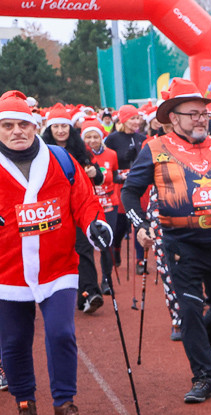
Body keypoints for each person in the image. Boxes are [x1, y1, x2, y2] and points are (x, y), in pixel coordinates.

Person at [124, 78, 211, 404]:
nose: (201, 119)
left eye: (204, 113)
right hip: (180, 245)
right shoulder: (154, 148)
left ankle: (204, 349)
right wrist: (140, 225)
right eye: (193, 114)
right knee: (189, 309)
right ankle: (203, 374)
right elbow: (130, 192)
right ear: (173, 118)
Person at [0, 91, 110, 415]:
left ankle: (64, 407)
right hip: (5, 271)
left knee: (61, 333)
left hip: (57, 265)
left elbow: (85, 200)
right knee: (14, 342)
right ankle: (24, 406)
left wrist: (94, 225)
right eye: (8, 125)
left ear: (35, 125)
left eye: (24, 124)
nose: (18, 131)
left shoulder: (60, 159)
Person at [42, 104, 107, 311]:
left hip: (78, 208)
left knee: (84, 250)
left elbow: (99, 176)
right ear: (49, 129)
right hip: (53, 211)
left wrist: (94, 174)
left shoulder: (81, 149)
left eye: (64, 126)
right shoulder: (41, 151)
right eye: (56, 126)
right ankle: (58, 294)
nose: (61, 130)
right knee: (57, 253)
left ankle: (90, 292)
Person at [81, 119, 124, 296]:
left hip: (109, 204)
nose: (92, 140)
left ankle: (107, 280)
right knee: (86, 245)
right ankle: (87, 283)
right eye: (88, 137)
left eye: (95, 136)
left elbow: (114, 176)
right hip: (88, 205)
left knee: (107, 242)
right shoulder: (80, 155)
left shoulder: (111, 154)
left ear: (101, 137)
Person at [105, 104, 147, 273]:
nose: (136, 122)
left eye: (138, 118)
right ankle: (116, 248)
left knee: (139, 222)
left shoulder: (142, 138)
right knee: (120, 225)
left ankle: (139, 260)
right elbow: (107, 160)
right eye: (132, 118)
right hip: (120, 185)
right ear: (123, 120)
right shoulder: (113, 139)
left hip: (138, 185)